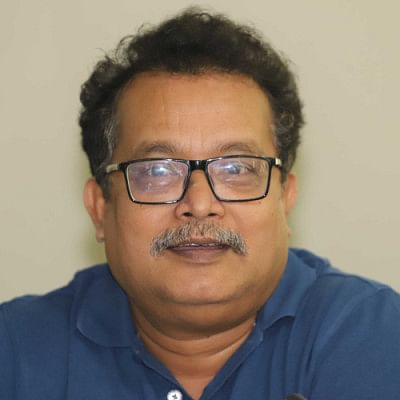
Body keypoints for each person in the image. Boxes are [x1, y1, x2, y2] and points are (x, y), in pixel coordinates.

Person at [1, 8, 399, 400]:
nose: (200, 203)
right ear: (100, 208)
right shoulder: (14, 352)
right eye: (157, 170)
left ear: (285, 198)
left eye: (237, 168)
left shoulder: (371, 334)